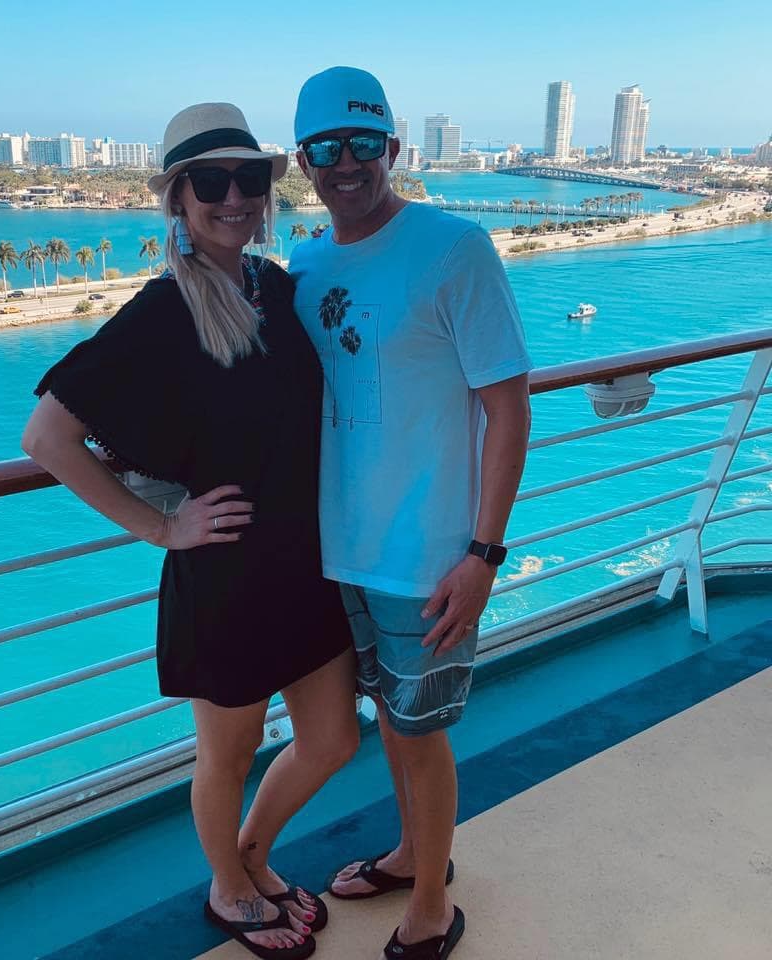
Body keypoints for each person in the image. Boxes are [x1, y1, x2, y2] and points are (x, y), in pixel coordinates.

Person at [22, 102, 359, 960]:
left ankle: (250, 855)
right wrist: (164, 529)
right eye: (211, 182)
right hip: (227, 573)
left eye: (249, 178)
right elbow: (48, 438)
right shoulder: (165, 310)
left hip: (305, 564)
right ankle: (227, 886)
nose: (234, 196)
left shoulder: (277, 289)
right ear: (178, 198)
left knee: (332, 739)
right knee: (231, 749)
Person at [288, 68, 532, 960]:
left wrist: (483, 552)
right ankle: (406, 852)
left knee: (417, 733)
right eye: (326, 148)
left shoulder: (455, 248)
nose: (345, 164)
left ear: (392, 148)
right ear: (302, 159)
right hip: (338, 550)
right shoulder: (306, 263)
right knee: (390, 722)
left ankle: (431, 900)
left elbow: (509, 408)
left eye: (364, 144)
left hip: (428, 557)